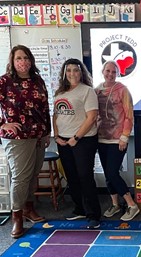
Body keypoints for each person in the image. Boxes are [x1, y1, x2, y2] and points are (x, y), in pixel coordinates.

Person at [0, 45, 50, 238]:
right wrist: (2, 125)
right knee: (20, 178)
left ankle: (29, 208)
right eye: (19, 58)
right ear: (12, 61)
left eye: (26, 58)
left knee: (33, 174)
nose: (23, 62)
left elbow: (45, 108)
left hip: (38, 135)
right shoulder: (5, 82)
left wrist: (47, 132)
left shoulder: (38, 81)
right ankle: (17, 216)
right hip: (17, 139)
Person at [53, 58, 101, 229]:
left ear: (82, 73)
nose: (72, 73)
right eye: (69, 70)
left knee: (84, 176)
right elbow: (56, 115)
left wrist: (76, 138)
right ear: (64, 73)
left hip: (83, 140)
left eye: (76, 70)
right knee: (71, 176)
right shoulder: (60, 92)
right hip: (63, 141)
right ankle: (79, 208)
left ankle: (93, 214)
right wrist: (57, 136)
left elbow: (92, 117)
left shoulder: (87, 91)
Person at [95, 60, 140, 221]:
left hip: (118, 140)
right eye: (108, 71)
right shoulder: (97, 90)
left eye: (114, 72)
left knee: (113, 173)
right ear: (102, 71)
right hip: (101, 138)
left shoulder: (123, 90)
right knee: (108, 174)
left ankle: (131, 204)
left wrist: (124, 136)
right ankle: (115, 204)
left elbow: (129, 115)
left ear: (118, 74)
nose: (110, 74)